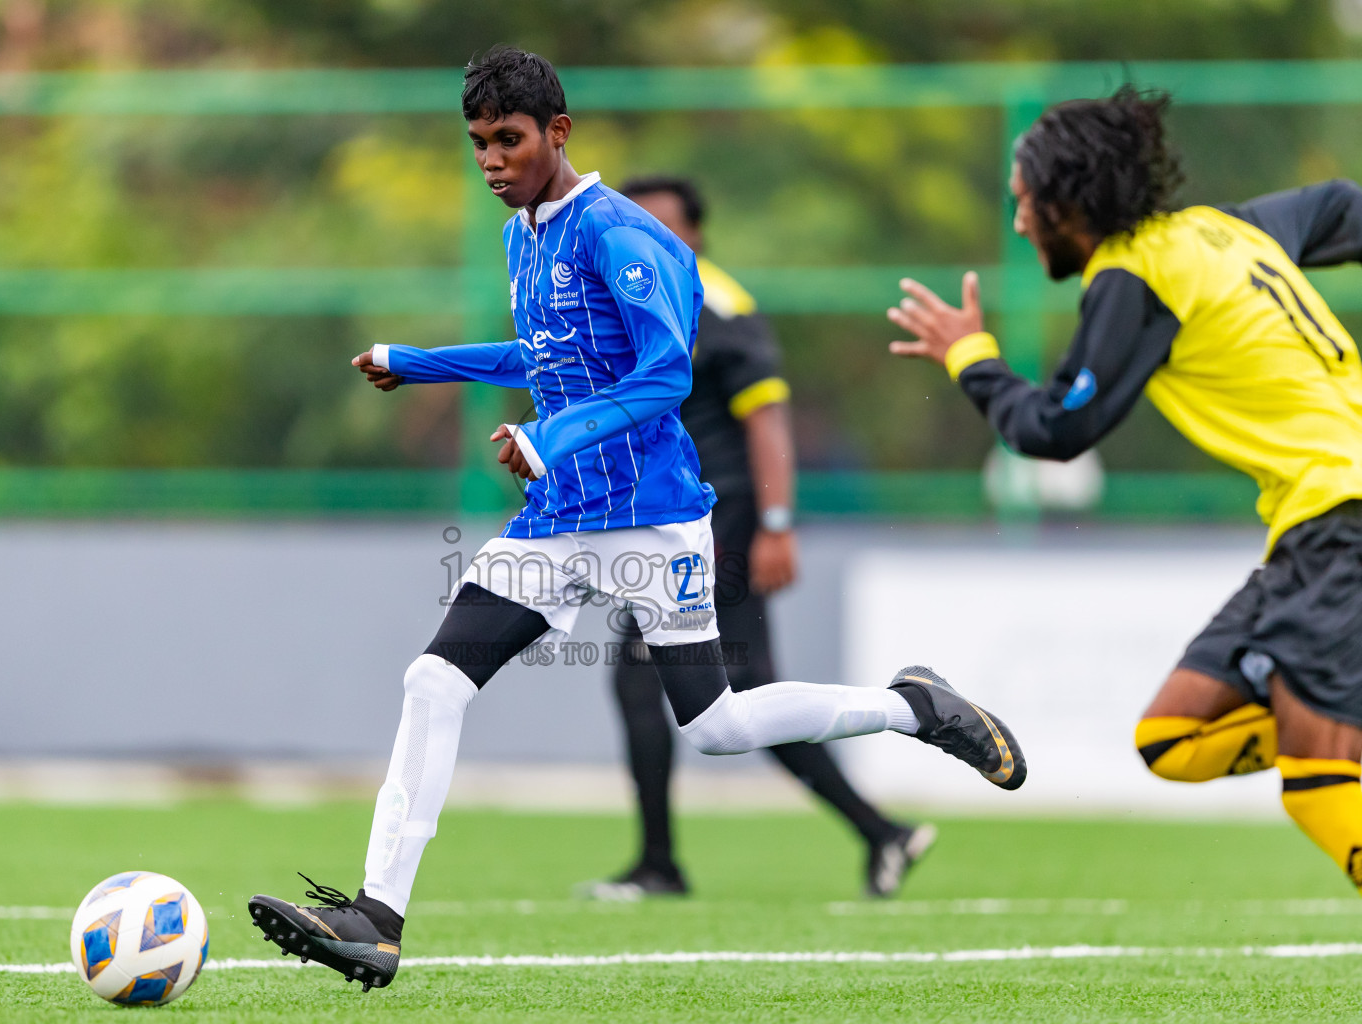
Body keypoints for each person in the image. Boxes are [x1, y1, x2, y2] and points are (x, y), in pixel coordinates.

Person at [247, 45, 1025, 992]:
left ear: (558, 133)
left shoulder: (623, 235)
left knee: (717, 726)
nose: (490, 159)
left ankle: (914, 707)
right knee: (433, 681)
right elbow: (546, 352)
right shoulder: (521, 233)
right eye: (478, 143)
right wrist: (421, 361)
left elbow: (665, 375)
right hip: (558, 520)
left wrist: (554, 436)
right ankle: (375, 919)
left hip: (653, 522)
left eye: (509, 139)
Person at [888, 85, 1362, 895]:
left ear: (1065, 206)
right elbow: (1343, 206)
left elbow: (1057, 431)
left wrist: (971, 357)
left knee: (1320, 773)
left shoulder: (1134, 275)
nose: (1017, 224)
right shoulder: (1226, 231)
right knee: (1173, 737)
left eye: (1022, 204)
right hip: (1317, 528)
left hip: (1337, 523)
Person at [584, 176, 934, 902]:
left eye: (663, 224)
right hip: (674, 522)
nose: (645, 235)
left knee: (649, 681)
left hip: (724, 520)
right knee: (742, 692)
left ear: (698, 235)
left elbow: (768, 421)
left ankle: (661, 865)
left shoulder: (721, 306)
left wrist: (776, 525)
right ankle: (880, 830)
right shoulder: (637, 297)